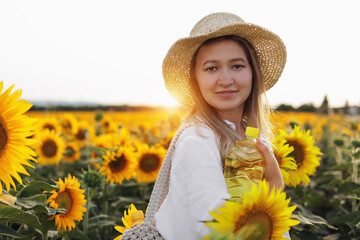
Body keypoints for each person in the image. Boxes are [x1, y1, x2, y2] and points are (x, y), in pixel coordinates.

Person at [155, 12, 288, 239]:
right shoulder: (197, 140)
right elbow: (218, 230)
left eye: (237, 66)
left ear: (253, 74)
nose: (226, 80)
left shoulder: (257, 139)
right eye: (211, 68)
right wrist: (275, 188)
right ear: (194, 79)